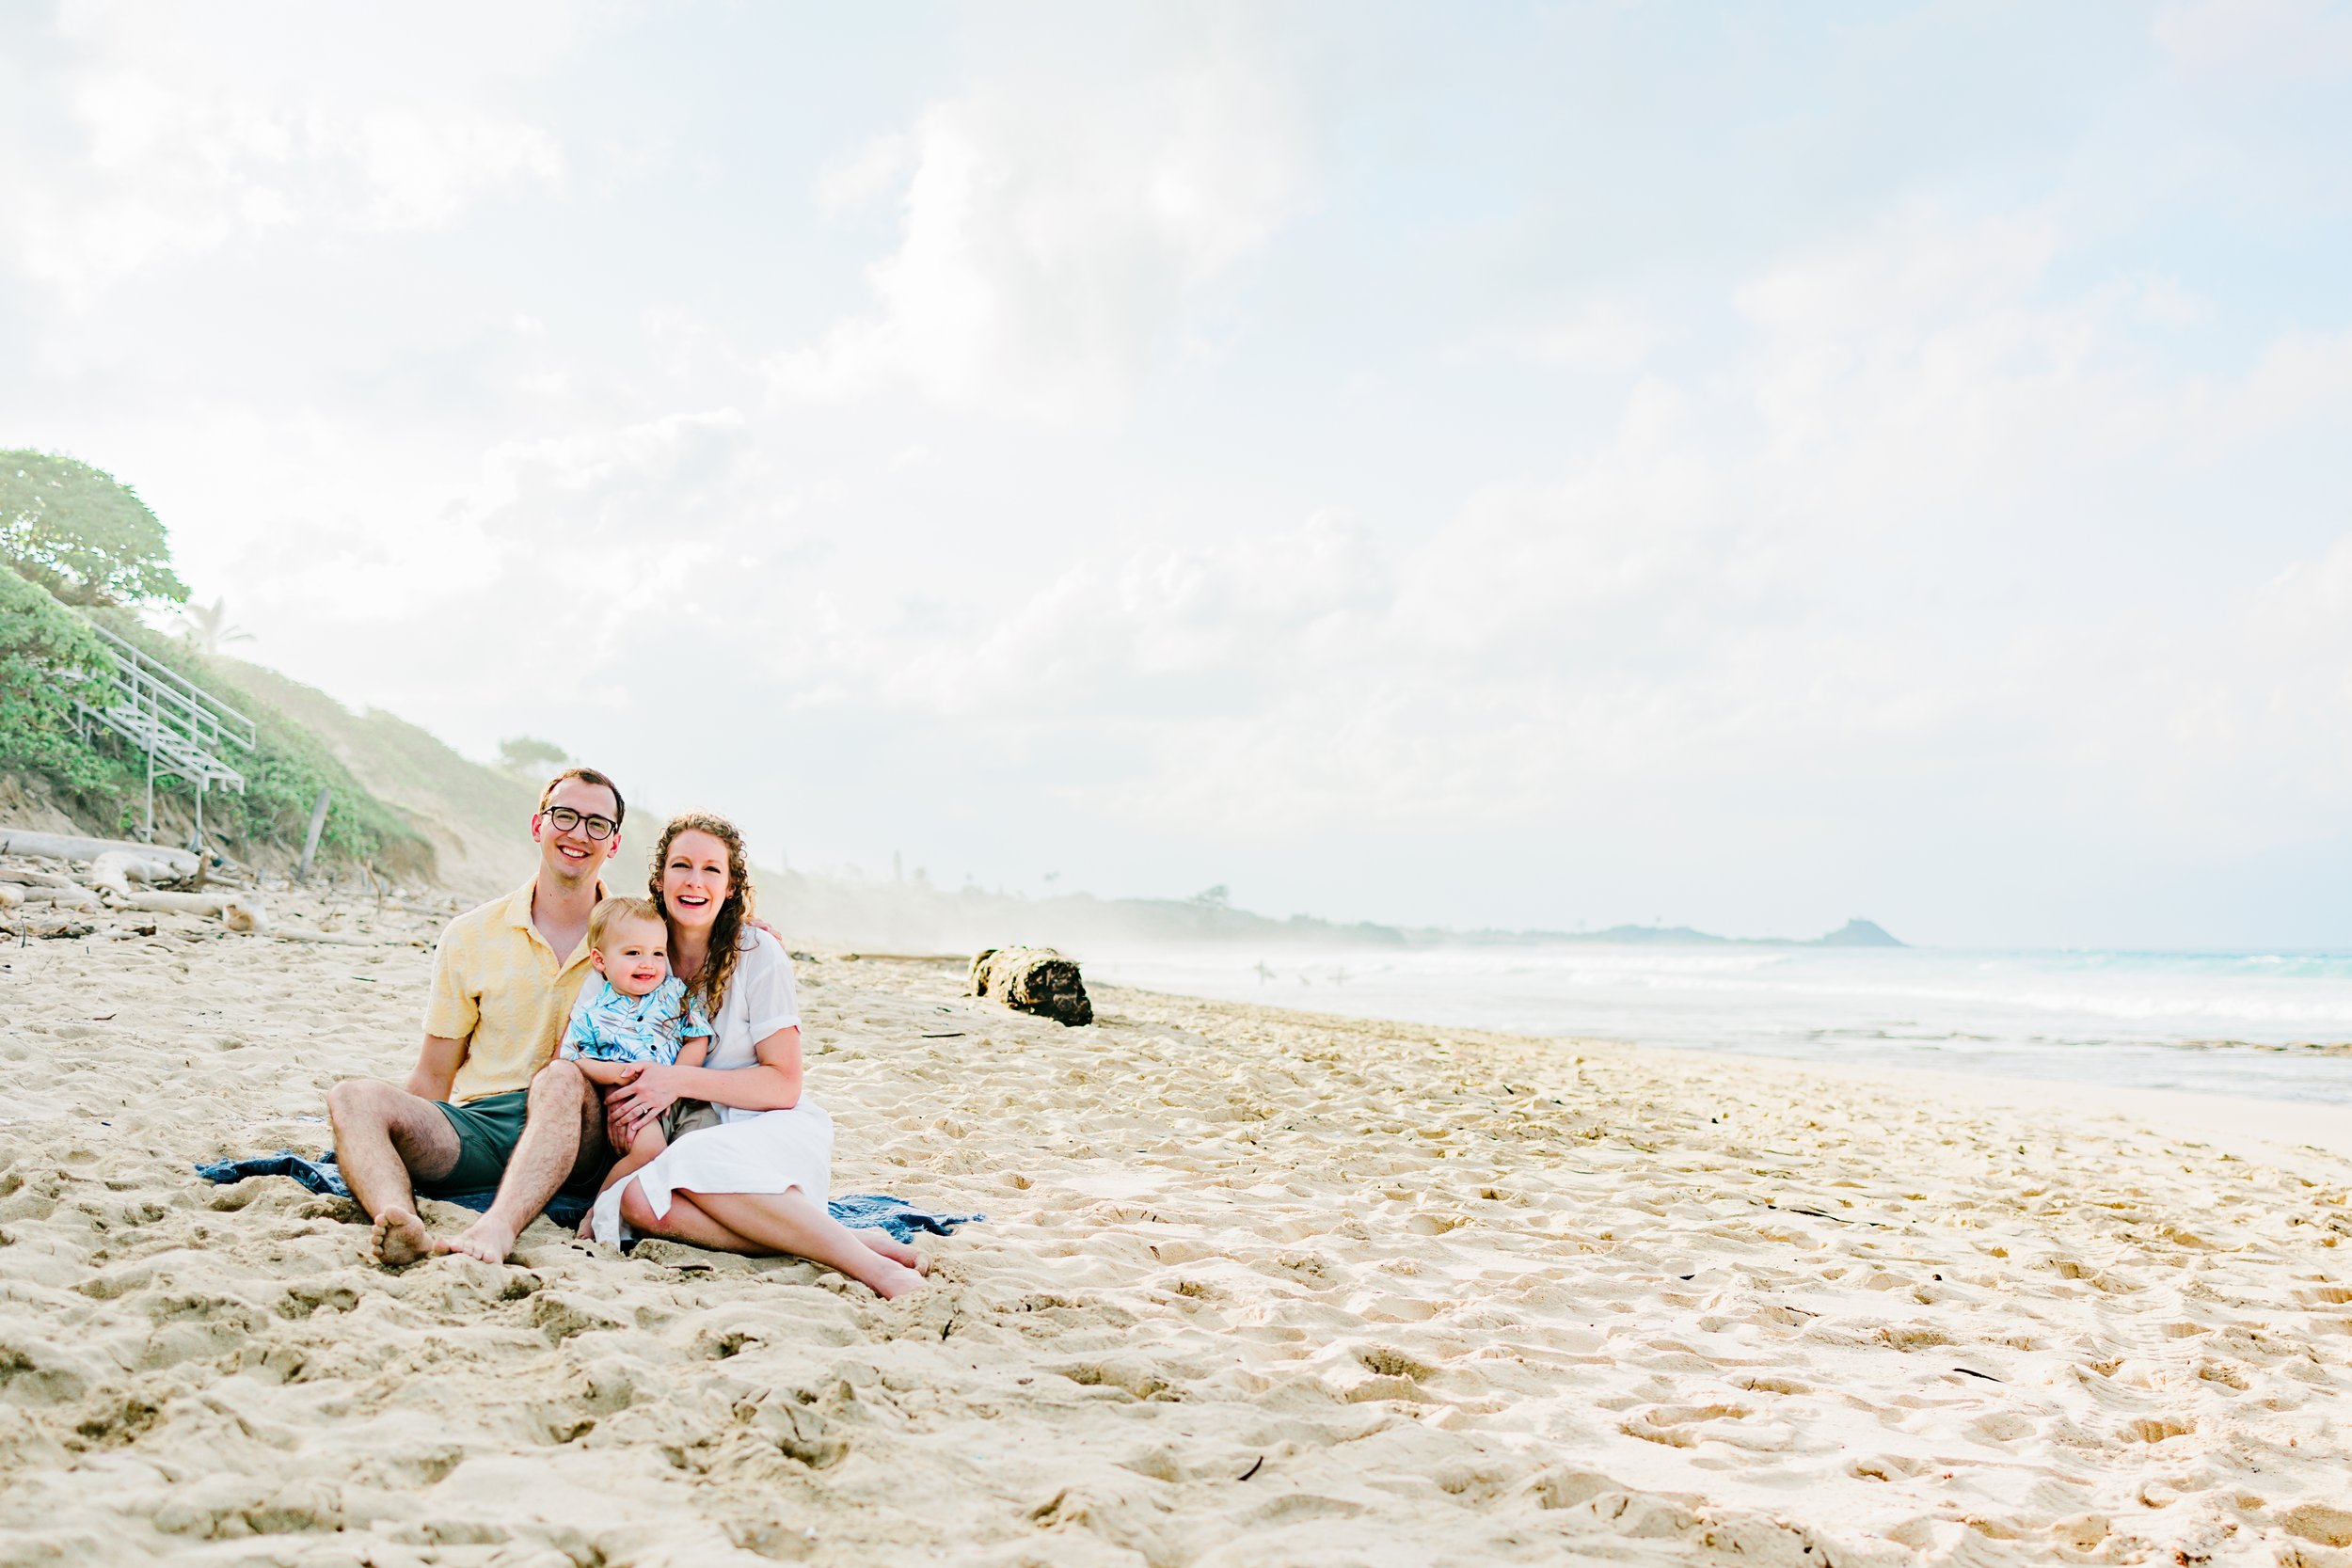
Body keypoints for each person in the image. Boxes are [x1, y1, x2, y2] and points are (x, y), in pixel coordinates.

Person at [586, 812, 928, 1298]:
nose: (694, 882)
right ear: (659, 878)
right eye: (681, 866)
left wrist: (674, 1081)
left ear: (730, 888)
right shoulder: (638, 948)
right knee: (638, 1203)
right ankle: (840, 1237)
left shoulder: (757, 951)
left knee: (681, 1170)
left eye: (712, 870)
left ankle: (873, 1269)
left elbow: (784, 1084)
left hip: (765, 1122)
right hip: (693, 1126)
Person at [325, 767, 626, 1266]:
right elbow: (435, 1072)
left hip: (579, 1133)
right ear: (538, 825)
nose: (578, 834)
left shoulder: (641, 937)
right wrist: (391, 1132)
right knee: (351, 1098)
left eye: (597, 824)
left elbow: (711, 926)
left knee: (561, 1077)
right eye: (565, 816)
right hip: (482, 1127)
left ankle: (499, 1227)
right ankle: (401, 1222)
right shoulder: (470, 934)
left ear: (613, 844)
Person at [559, 895, 713, 1221]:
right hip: (630, 1099)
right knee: (649, 1150)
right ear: (599, 960)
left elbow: (697, 1036)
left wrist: (675, 1080)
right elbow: (574, 1058)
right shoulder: (591, 1013)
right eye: (633, 953)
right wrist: (614, 1074)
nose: (649, 963)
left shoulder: (675, 993)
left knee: (703, 1150)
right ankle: (598, 1211)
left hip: (683, 1096)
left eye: (658, 953)